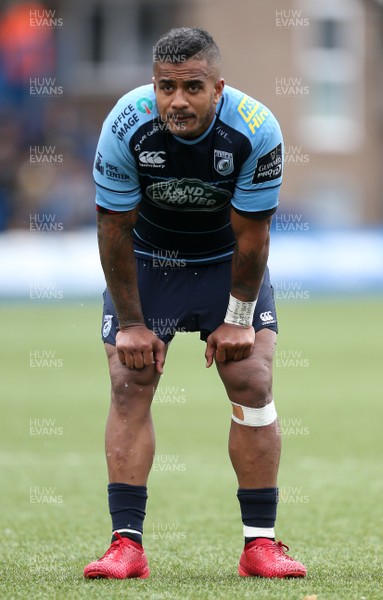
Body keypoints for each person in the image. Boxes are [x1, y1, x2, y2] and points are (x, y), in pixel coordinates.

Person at [84, 27, 306, 580]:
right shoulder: (124, 124)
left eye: (192, 87)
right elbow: (113, 229)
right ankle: (125, 546)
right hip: (147, 257)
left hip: (225, 258)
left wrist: (237, 319)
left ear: (218, 87)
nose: (177, 101)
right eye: (165, 87)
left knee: (252, 376)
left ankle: (261, 546)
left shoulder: (256, 130)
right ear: (152, 85)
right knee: (127, 381)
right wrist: (131, 324)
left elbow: (253, 236)